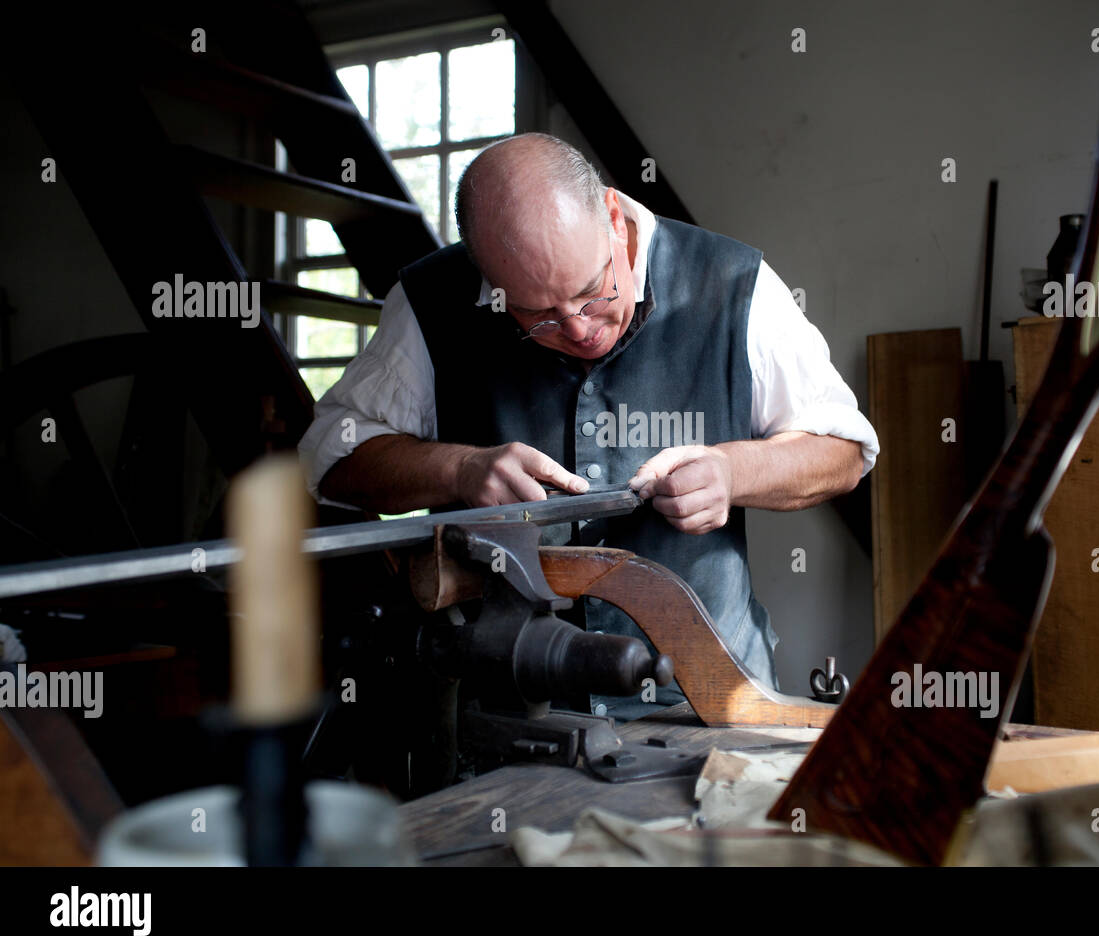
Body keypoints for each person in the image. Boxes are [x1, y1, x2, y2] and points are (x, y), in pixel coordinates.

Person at [299, 132, 878, 717]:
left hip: (708, 702)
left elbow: (844, 451)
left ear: (612, 218)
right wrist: (461, 469)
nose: (577, 329)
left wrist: (734, 470)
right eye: (537, 315)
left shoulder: (732, 283)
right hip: (505, 709)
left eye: (590, 293)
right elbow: (332, 458)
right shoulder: (432, 300)